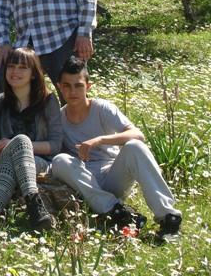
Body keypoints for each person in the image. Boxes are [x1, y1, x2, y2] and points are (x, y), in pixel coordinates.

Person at [51, 57, 182, 237]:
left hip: (112, 175)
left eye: (78, 85)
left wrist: (99, 140)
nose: (73, 91)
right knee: (59, 161)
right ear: (59, 87)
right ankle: (119, 212)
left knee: (135, 146)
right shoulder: (59, 118)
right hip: (87, 183)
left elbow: (137, 134)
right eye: (67, 86)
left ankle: (169, 218)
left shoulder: (102, 108)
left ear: (88, 87)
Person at [0, 47, 62, 237]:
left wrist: (21, 144)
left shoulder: (49, 101)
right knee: (14, 153)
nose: (15, 72)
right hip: (4, 161)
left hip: (41, 164)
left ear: (34, 74)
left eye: (22, 67)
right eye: (11, 66)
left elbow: (55, 145)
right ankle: (35, 207)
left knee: (21, 142)